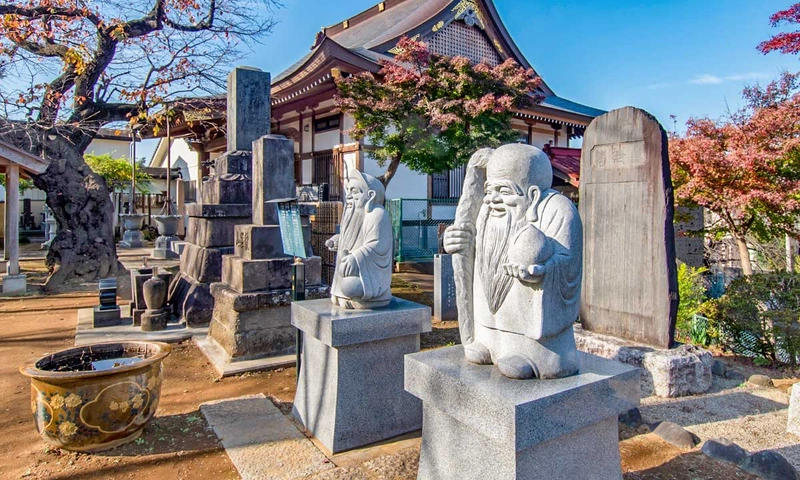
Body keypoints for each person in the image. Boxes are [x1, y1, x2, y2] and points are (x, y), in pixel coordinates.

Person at [444, 144, 582, 379]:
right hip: (489, 309)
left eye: (504, 191)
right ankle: (488, 341)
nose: (492, 199)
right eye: (489, 190)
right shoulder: (487, 210)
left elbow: (569, 262)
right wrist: (457, 241)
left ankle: (532, 353)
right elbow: (474, 248)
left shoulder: (558, 209)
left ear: (533, 195)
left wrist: (542, 271)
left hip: (533, 325)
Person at [326, 169, 393, 309]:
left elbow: (378, 244)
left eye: (354, 191)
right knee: (345, 284)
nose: (349, 196)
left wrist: (355, 257)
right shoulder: (353, 213)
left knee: (350, 286)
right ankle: (340, 294)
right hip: (349, 269)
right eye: (348, 191)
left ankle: (369, 296)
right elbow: (352, 238)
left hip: (370, 275)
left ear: (370, 195)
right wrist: (339, 239)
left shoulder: (377, 214)